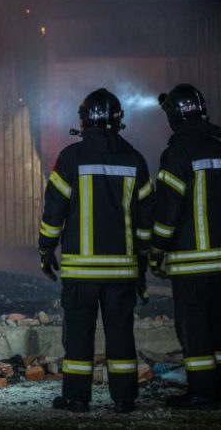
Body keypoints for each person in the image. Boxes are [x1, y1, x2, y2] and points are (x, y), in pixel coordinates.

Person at [39, 88, 154, 413]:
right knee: (120, 334)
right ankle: (124, 398)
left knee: (78, 335)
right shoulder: (135, 159)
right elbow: (146, 216)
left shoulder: (72, 158)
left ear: (84, 119)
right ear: (119, 121)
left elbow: (54, 210)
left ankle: (77, 398)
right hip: (122, 271)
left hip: (81, 272)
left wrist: (46, 250)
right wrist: (143, 256)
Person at [150, 83, 221, 408]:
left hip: (189, 264)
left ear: (174, 117)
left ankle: (202, 392)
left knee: (195, 329)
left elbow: (168, 210)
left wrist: (157, 249)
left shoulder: (176, 155)